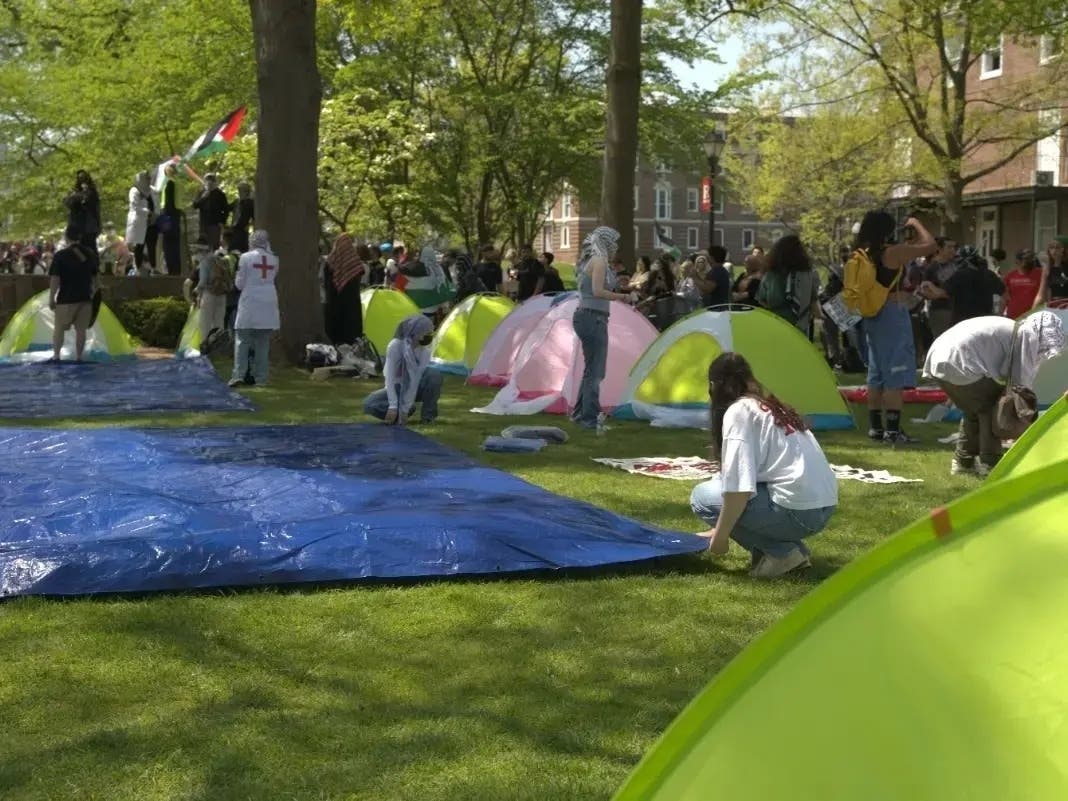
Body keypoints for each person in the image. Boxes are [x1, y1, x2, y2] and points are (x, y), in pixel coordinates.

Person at [690, 352, 838, 578]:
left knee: (702, 497)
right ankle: (794, 551)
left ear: (714, 386)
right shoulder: (770, 406)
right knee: (717, 488)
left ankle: (782, 554)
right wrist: (721, 526)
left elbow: (738, 488)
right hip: (823, 507)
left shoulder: (739, 412)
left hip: (797, 511)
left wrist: (720, 538)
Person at [923, 312, 1064, 476]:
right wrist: (1024, 414)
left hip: (939, 358)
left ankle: (963, 461)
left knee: (975, 410)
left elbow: (1006, 374)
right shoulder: (1028, 335)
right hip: (959, 360)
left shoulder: (1014, 329)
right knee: (991, 408)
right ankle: (991, 463)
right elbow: (1020, 381)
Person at [847, 211, 936, 444]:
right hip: (892, 314)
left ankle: (876, 428)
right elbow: (929, 245)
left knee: (876, 373)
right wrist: (915, 222)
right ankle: (893, 431)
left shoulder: (863, 253)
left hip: (870, 314)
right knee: (895, 373)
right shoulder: (893, 252)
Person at [571, 226, 637, 430]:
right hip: (593, 318)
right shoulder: (599, 261)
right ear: (605, 245)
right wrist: (624, 297)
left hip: (590, 317)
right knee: (596, 371)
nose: (615, 249)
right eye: (613, 245)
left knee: (591, 369)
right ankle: (589, 419)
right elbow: (598, 291)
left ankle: (580, 414)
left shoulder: (595, 261)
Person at [362, 314, 444, 425]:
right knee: (369, 404)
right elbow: (390, 378)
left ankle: (428, 417)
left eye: (431, 332)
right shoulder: (395, 346)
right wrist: (393, 406)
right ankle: (401, 412)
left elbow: (415, 380)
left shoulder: (425, 351)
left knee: (434, 375)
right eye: (427, 332)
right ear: (416, 332)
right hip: (397, 386)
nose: (430, 336)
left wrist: (405, 407)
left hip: (414, 387)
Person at [229, 230, 280, 387]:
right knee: (263, 342)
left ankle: (239, 374)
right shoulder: (274, 259)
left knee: (242, 339)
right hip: (268, 299)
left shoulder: (245, 257)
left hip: (250, 299)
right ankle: (261, 378)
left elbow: (239, 283)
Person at [48, 224, 99, 362]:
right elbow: (95, 277)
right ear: (80, 237)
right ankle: (79, 357)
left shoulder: (61, 255)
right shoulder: (90, 253)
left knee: (59, 329)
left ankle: (56, 356)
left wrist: (52, 297)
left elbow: (55, 278)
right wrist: (93, 291)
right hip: (85, 298)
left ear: (66, 237)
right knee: (81, 331)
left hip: (66, 299)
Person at [925, 245, 1005, 326]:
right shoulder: (989, 274)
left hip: (963, 322)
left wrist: (929, 285)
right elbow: (1005, 296)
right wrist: (999, 315)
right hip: (984, 321)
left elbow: (942, 293)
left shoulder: (960, 275)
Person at [756, 234, 820, 335]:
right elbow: (814, 305)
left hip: (776, 324)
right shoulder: (806, 276)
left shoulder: (770, 276)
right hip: (800, 327)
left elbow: (762, 300)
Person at [322, 233, 366, 345]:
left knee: (335, 332)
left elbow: (327, 284)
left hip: (334, 301)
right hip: (352, 303)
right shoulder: (355, 263)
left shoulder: (330, 262)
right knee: (351, 332)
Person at [194, 238, 233, 350]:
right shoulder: (220, 259)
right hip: (222, 295)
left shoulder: (205, 261)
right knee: (219, 323)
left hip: (209, 295)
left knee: (205, 323)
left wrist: (196, 291)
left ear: (200, 251)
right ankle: (218, 348)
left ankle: (205, 348)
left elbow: (202, 282)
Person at [919, 236, 959, 338]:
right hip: (940, 310)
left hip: (957, 309)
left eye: (954, 247)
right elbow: (925, 291)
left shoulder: (957, 265)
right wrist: (943, 295)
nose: (953, 250)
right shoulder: (932, 268)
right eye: (949, 247)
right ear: (940, 249)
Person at [1001, 249, 1044, 320]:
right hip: (1013, 316)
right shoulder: (1010, 276)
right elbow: (1004, 298)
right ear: (1018, 261)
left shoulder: (1040, 274)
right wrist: (1000, 315)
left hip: (1033, 316)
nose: (1030, 261)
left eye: (1031, 258)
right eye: (1026, 259)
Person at [64, 170, 101, 249]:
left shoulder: (92, 191)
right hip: (76, 226)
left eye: (84, 178)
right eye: (80, 178)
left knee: (90, 249)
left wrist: (98, 225)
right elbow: (67, 203)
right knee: (77, 250)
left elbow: (95, 207)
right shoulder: (73, 192)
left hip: (89, 227)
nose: (82, 180)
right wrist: (75, 197)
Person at [192, 173, 229, 249]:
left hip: (215, 224)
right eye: (207, 181)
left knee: (214, 246)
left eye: (211, 181)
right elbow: (195, 205)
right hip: (203, 224)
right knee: (203, 246)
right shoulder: (201, 192)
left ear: (214, 182)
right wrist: (203, 198)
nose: (209, 183)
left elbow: (226, 209)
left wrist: (222, 222)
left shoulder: (220, 194)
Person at [125, 171, 153, 274]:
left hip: (143, 222)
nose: (149, 181)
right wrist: (147, 211)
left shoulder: (147, 192)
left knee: (142, 245)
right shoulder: (134, 190)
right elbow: (134, 205)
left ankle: (141, 267)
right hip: (136, 220)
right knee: (137, 245)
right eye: (147, 179)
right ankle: (137, 267)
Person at [158, 163, 183, 275]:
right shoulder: (178, 182)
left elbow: (168, 202)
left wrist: (165, 219)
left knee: (168, 244)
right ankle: (176, 269)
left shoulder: (169, 183)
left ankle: (171, 269)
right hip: (176, 215)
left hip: (168, 215)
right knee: (175, 244)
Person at [1035, 236, 1068, 308]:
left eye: (1057, 247)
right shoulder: (1047, 269)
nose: (1054, 251)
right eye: (1051, 247)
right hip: (1054, 306)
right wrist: (1031, 312)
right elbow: (1040, 295)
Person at [229, 181, 255, 252]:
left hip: (242, 230)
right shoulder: (236, 201)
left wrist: (249, 225)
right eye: (239, 190)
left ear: (247, 192)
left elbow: (254, 218)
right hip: (233, 229)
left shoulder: (250, 203)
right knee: (232, 249)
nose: (239, 192)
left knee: (241, 249)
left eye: (241, 190)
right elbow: (227, 208)